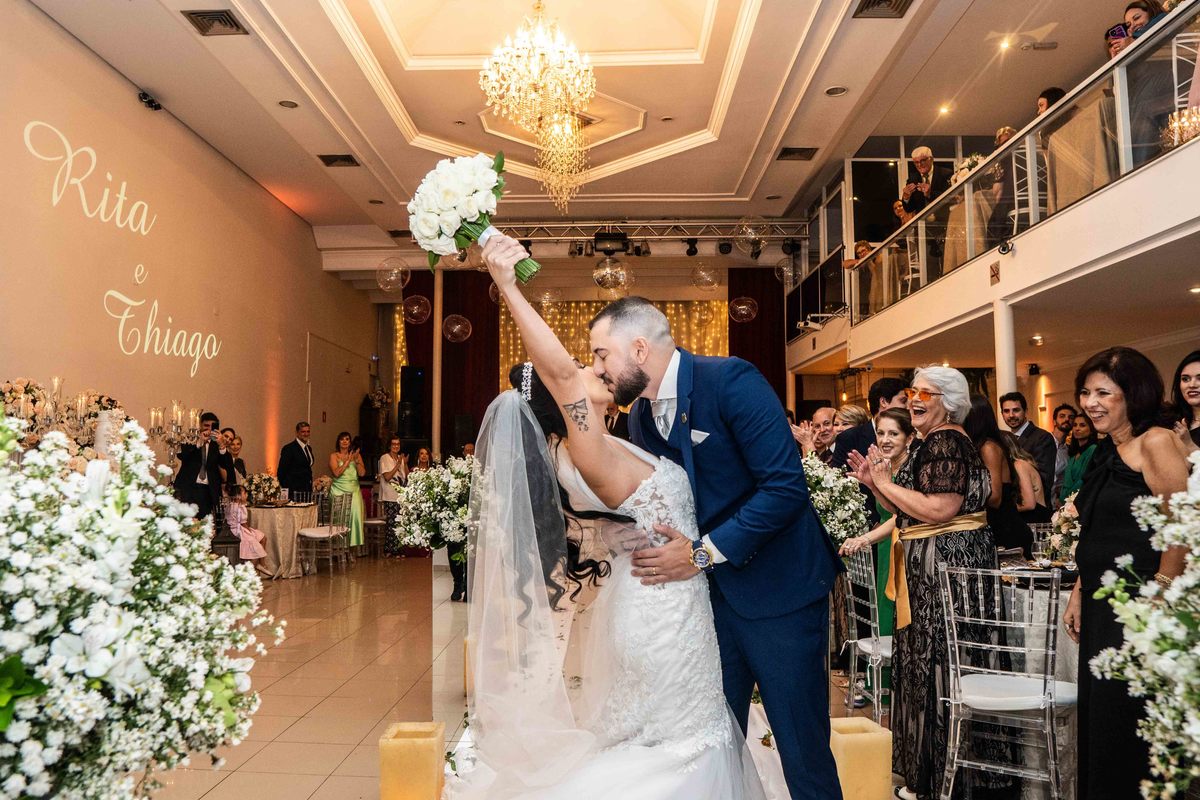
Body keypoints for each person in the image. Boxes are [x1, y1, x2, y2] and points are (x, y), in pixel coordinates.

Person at [453, 234, 775, 799]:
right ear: (565, 404)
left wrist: (618, 530)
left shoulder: (608, 441)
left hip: (664, 598)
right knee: (683, 742)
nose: (593, 369)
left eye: (598, 357)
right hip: (662, 608)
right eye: (588, 364)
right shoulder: (586, 448)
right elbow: (559, 372)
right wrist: (508, 285)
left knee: (679, 736)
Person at [846, 367, 1005, 800]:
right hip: (934, 568)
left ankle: (944, 778)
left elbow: (939, 509)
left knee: (940, 665)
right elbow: (908, 510)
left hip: (946, 571)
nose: (914, 399)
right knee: (928, 665)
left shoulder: (946, 441)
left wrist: (883, 482)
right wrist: (875, 485)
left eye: (925, 393)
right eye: (912, 391)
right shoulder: (931, 441)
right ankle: (931, 776)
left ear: (948, 402)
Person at [1063, 346, 1189, 800]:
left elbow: (1182, 525)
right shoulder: (1105, 451)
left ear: (1133, 394)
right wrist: (1079, 591)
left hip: (1140, 604)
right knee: (1102, 719)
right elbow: (1097, 530)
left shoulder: (1155, 441)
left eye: (1103, 393)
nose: (1090, 403)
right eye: (1085, 392)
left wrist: (1160, 594)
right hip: (1103, 605)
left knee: (1128, 720)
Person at [837, 406, 915, 706]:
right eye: (881, 432)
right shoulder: (887, 467)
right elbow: (889, 508)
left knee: (898, 616)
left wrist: (865, 538)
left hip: (903, 549)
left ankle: (900, 689)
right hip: (886, 549)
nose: (885, 439)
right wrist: (872, 484)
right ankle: (880, 687)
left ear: (909, 438)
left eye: (893, 433)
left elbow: (902, 517)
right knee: (882, 616)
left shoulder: (910, 468)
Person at [964, 395, 1033, 557]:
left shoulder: (989, 447)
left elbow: (995, 498)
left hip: (1006, 530)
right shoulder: (977, 446)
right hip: (994, 528)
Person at [999, 391, 1057, 500]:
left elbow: (1044, 480)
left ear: (1025, 411)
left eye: (1016, 410)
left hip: (1034, 505)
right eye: (1006, 411)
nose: (1011, 415)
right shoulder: (1004, 440)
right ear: (1002, 414)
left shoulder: (1042, 438)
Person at [173, 412, 223, 519]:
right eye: (206, 426)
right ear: (200, 425)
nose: (209, 429)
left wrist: (222, 445)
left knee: (204, 522)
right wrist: (199, 442)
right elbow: (181, 455)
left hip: (208, 491)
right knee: (186, 521)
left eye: (212, 426)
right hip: (188, 488)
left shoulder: (217, 445)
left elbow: (225, 464)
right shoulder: (190, 438)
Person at [329, 431, 365, 551]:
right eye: (342, 439)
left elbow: (362, 473)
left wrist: (357, 460)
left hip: (354, 490)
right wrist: (348, 461)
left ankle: (352, 548)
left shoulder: (356, 456)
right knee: (340, 518)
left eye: (347, 439)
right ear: (338, 442)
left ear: (350, 442)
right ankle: (339, 547)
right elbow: (336, 473)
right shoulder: (334, 456)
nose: (344, 441)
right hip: (338, 490)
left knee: (355, 516)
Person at [1006, 436, 1052, 526]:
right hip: (1032, 519)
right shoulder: (1018, 464)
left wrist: (1003, 511)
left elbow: (1029, 504)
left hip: (1035, 521)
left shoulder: (1019, 465)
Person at [378, 435, 407, 557]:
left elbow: (405, 477)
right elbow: (387, 477)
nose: (396, 446)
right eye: (393, 444)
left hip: (400, 496)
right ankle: (389, 549)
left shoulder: (400, 459)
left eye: (398, 444)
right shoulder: (385, 458)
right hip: (390, 495)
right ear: (389, 446)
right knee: (391, 523)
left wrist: (404, 463)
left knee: (400, 523)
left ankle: (398, 548)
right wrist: (397, 464)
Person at [1060, 413, 1099, 501]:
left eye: (1082, 425)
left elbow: (1083, 480)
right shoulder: (1073, 453)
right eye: (1075, 425)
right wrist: (1061, 498)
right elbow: (1066, 481)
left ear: (1091, 429)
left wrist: (1066, 499)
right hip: (1065, 500)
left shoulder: (1093, 450)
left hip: (1080, 500)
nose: (1077, 428)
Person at [225, 485, 267, 563]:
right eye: (244, 493)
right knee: (256, 546)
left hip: (232, 530)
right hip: (238, 531)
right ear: (238, 496)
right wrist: (250, 531)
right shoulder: (240, 507)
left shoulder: (230, 505)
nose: (246, 495)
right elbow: (243, 523)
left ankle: (261, 564)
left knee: (262, 537)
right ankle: (258, 565)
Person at [1170, 350, 1200, 452]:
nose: (1192, 385)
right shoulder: (1170, 419)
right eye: (1185, 379)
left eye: (1199, 378)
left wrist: (1189, 444)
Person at [277, 421, 315, 497]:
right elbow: (281, 471)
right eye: (303, 432)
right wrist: (286, 490)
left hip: (307, 490)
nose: (306, 434)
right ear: (297, 433)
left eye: (308, 431)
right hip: (293, 491)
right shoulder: (289, 448)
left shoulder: (309, 448)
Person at [1049, 402, 1077, 505]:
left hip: (1054, 504)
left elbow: (1061, 481)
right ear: (1054, 421)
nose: (1066, 419)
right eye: (1062, 416)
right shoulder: (1042, 443)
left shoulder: (1068, 451)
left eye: (1071, 417)